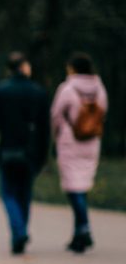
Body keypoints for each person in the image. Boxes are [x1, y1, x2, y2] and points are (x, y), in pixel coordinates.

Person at [0, 52, 50, 255]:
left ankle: (19, 232)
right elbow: (45, 129)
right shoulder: (38, 92)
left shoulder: (0, 91)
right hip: (30, 153)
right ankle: (21, 231)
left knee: (8, 193)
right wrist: (43, 155)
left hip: (7, 150)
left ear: (9, 69)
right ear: (25, 67)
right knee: (24, 194)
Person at [50, 52, 108, 253]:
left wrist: (55, 137)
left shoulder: (67, 89)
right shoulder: (99, 88)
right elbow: (103, 112)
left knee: (73, 189)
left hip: (70, 142)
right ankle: (78, 234)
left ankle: (84, 229)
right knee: (82, 187)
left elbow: (56, 116)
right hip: (92, 143)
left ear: (72, 68)